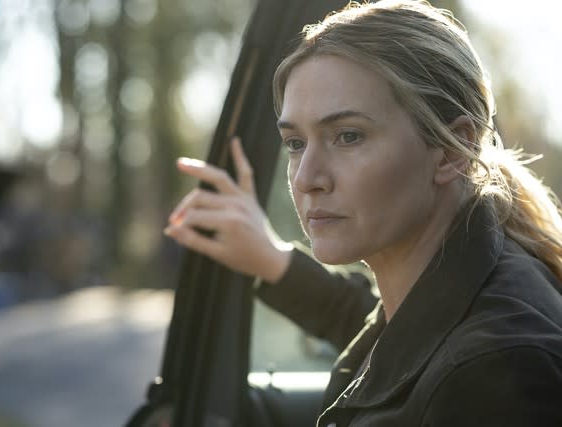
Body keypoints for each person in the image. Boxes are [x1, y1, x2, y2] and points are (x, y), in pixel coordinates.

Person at [165, 0, 562, 425]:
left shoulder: (493, 372)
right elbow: (396, 343)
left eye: (348, 136)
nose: (306, 178)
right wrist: (273, 260)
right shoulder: (460, 292)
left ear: (449, 150)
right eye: (296, 144)